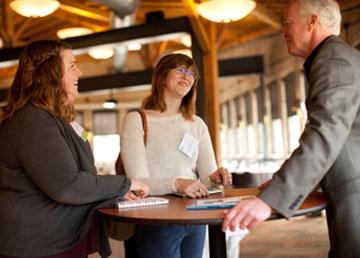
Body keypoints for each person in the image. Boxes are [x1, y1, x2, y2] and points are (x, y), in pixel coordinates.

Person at [222, 0, 360, 257]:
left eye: (287, 23)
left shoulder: (333, 60)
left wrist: (269, 199)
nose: (283, 32)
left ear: (312, 22)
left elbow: (325, 134)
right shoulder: (339, 57)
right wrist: (279, 181)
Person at [0, 40, 149, 258]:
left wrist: (116, 192)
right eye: (72, 66)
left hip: (53, 240)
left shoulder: (53, 119)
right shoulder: (31, 120)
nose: (79, 72)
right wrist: (125, 183)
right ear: (49, 73)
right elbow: (66, 185)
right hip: (36, 246)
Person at [120, 53, 232, 258]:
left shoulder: (197, 124)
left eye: (191, 73)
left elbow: (208, 180)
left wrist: (216, 179)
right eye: (180, 70)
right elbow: (138, 183)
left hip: (195, 218)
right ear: (162, 76)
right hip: (157, 220)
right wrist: (179, 183)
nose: (187, 76)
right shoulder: (136, 120)